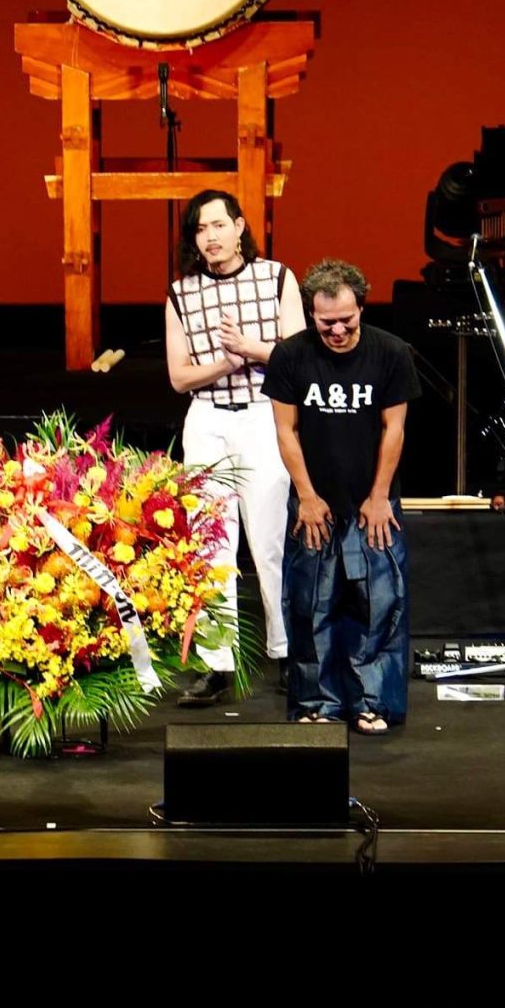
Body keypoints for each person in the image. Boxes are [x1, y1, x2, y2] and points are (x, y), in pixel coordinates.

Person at [265, 258, 419, 734]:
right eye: (326, 321)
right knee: (310, 603)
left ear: (361, 309)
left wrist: (379, 496)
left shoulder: (390, 352)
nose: (336, 330)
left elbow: (394, 429)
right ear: (312, 315)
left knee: (379, 603)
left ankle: (372, 702)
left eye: (346, 320)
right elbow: (286, 431)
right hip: (314, 499)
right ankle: (317, 702)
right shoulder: (290, 356)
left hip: (372, 500)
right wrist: (306, 496)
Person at [163, 189, 301, 704]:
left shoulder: (277, 277)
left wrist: (251, 349)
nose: (211, 237)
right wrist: (227, 362)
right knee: (211, 544)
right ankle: (216, 663)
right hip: (207, 419)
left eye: (219, 225)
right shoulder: (182, 293)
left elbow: (299, 355)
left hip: (263, 415)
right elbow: (180, 377)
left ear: (240, 227)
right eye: (200, 230)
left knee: (269, 539)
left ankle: (286, 652)